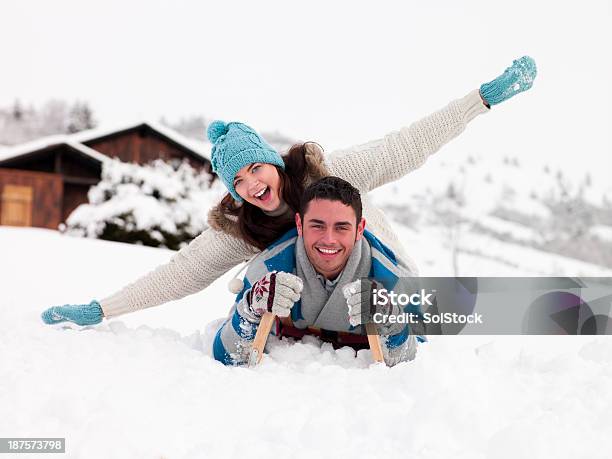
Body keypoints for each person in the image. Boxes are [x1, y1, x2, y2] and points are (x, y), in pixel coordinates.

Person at [41, 56, 537, 327]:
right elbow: (181, 274)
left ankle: (404, 303)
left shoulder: (329, 173)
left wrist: (482, 100)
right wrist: (102, 309)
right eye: (238, 181)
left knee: (339, 220)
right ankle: (278, 310)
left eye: (256, 168)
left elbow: (404, 146)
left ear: (274, 161)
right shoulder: (240, 227)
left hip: (376, 283)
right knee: (264, 264)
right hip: (306, 312)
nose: (252, 184)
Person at [214, 176, 424, 366]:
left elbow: (420, 356)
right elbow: (224, 353)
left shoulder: (391, 278)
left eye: (341, 227)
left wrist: (392, 320)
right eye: (317, 226)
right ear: (299, 224)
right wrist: (250, 310)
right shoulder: (270, 267)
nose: (329, 239)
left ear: (360, 229)